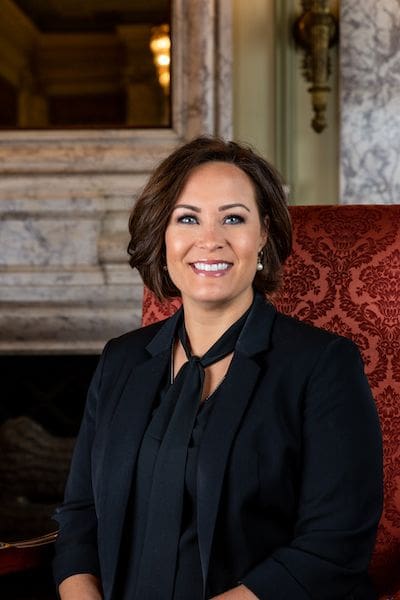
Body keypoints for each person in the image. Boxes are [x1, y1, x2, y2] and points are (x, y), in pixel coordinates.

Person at [53, 137, 383, 600]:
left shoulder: (323, 365)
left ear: (263, 233)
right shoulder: (120, 360)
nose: (210, 240)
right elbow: (79, 517)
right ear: (163, 235)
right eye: (188, 218)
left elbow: (334, 546)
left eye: (233, 218)